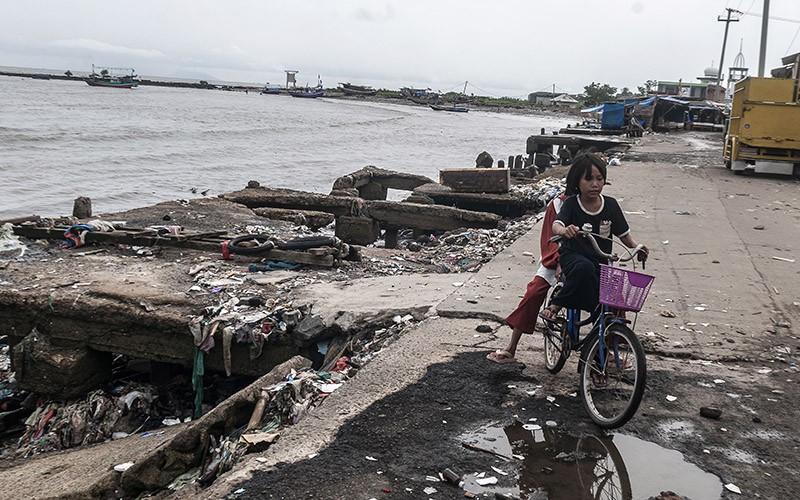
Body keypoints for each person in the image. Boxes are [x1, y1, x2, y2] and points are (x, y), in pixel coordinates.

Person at [539, 153, 647, 322]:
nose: (594, 184)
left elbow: (624, 235)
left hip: (601, 259)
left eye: (599, 179)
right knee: (584, 268)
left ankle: (610, 338)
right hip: (573, 256)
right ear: (577, 182)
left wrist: (637, 247)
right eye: (588, 179)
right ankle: (556, 304)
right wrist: (564, 230)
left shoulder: (610, 205)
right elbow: (556, 224)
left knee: (612, 293)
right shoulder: (572, 204)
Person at [487, 191, 567, 364]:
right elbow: (550, 239)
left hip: (584, 260)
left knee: (611, 293)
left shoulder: (603, 206)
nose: (595, 185)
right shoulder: (559, 204)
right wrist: (559, 260)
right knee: (533, 293)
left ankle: (608, 346)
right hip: (557, 258)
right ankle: (512, 346)